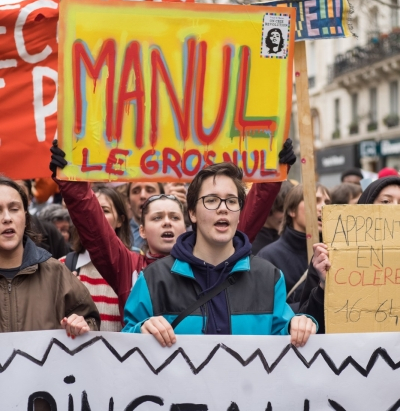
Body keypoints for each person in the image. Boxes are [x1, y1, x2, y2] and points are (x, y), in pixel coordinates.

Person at [50, 140, 295, 322]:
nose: (167, 222)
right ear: (142, 230)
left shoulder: (220, 257)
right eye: (157, 217)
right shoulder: (130, 268)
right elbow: (94, 227)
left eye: (173, 216)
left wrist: (272, 172)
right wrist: (71, 180)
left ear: (190, 221)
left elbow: (245, 216)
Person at [123, 162, 317, 347]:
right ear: (192, 213)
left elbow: (283, 344)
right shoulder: (153, 280)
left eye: (231, 201)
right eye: (212, 200)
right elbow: (123, 347)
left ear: (239, 212)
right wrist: (141, 331)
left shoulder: (268, 277)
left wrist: (298, 326)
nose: (223, 208)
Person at [299, 175, 400, 332]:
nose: (395, 208)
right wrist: (325, 285)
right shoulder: (329, 254)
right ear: (367, 206)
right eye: (386, 202)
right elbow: (307, 323)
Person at [0, 177, 100, 335]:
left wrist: (81, 326)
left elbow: (90, 322)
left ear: (26, 218)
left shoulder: (56, 273)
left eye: (14, 209)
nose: (7, 218)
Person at [62, 185, 132, 331]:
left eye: (104, 211)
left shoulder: (134, 268)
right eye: (90, 211)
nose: (96, 217)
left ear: (120, 220)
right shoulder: (61, 267)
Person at [257, 183, 330, 310]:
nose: (323, 207)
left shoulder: (334, 253)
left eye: (327, 202)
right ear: (292, 210)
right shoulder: (268, 257)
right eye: (315, 200)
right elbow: (264, 310)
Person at [251, 180, 294, 254]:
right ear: (267, 207)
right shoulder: (250, 242)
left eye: (291, 209)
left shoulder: (292, 237)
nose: (287, 215)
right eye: (281, 209)